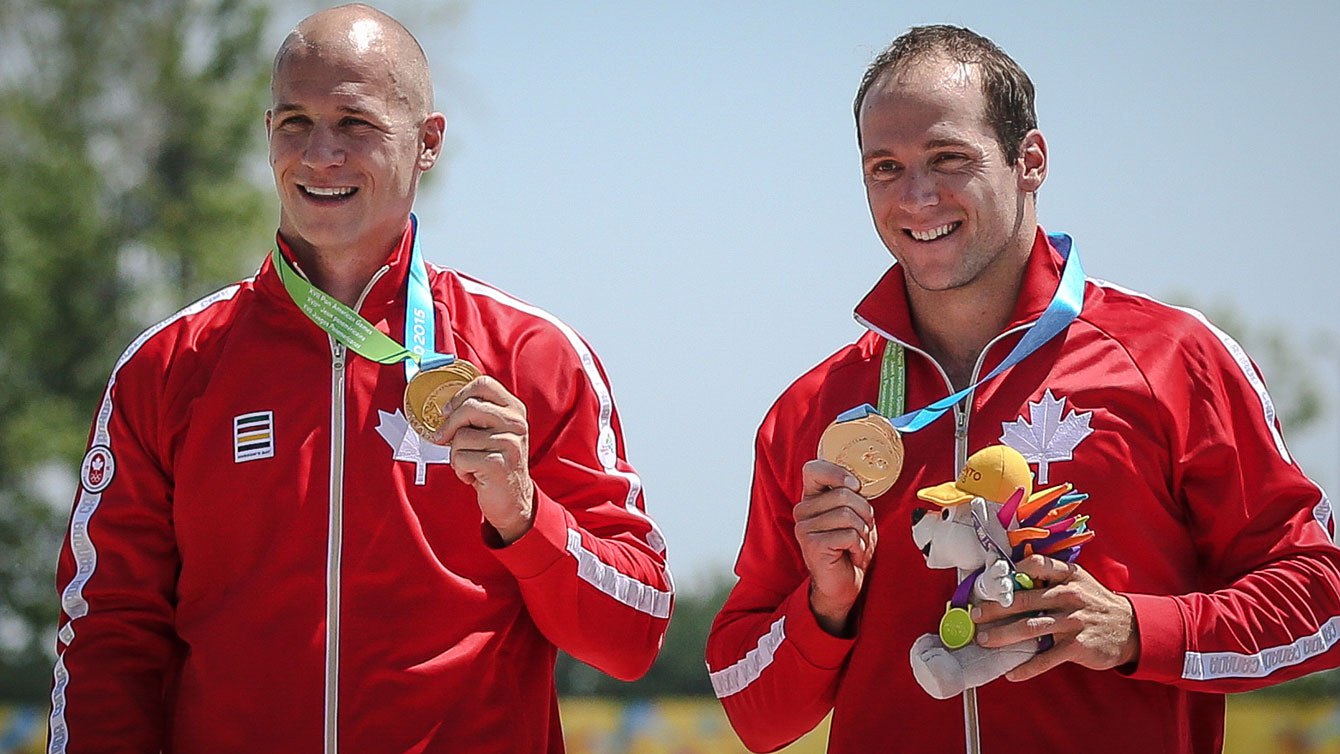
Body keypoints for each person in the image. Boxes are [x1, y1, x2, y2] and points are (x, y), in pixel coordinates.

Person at [48, 5, 672, 753]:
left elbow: (632, 638)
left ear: (428, 142)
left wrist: (526, 517)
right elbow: (109, 641)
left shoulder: (535, 357)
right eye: (294, 123)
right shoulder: (168, 366)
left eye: (355, 123)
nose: (319, 155)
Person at [705, 24, 1339, 754]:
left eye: (948, 159)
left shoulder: (1172, 358)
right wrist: (824, 606)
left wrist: (1140, 630)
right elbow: (754, 716)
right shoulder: (815, 410)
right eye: (885, 167)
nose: (916, 197)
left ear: (1029, 160)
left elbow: (1321, 599)